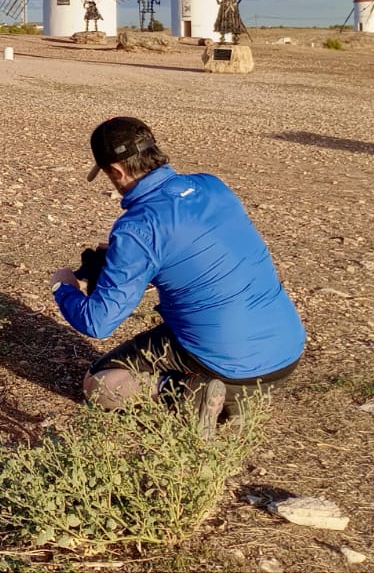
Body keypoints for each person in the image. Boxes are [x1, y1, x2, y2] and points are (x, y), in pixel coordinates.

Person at [49, 116, 305, 436]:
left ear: (116, 171)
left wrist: (63, 285)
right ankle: (238, 399)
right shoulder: (212, 186)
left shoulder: (138, 229)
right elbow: (199, 252)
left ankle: (188, 392)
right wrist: (130, 259)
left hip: (227, 361)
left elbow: (97, 323)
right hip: (285, 354)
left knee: (99, 385)